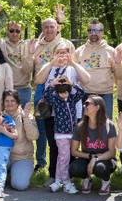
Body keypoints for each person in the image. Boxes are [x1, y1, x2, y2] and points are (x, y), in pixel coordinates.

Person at [34, 43, 91, 184]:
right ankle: (53, 175)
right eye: (59, 52)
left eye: (65, 52)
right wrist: (51, 63)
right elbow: (38, 80)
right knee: (54, 145)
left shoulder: (73, 67)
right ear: (53, 54)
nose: (62, 56)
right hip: (51, 113)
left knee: (71, 145)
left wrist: (72, 62)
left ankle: (69, 176)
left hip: (71, 113)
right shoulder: (48, 66)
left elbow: (87, 80)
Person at [31, 5, 75, 170]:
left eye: (52, 27)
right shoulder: (37, 46)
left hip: (61, 87)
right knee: (41, 125)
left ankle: (62, 162)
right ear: (42, 29)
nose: (49, 30)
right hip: (42, 87)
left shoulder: (65, 43)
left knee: (59, 124)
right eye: (46, 27)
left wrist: (60, 19)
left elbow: (74, 62)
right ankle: (41, 162)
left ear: (57, 28)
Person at [0, 5, 36, 106]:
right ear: (7, 31)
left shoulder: (28, 44)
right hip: (7, 89)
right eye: (11, 31)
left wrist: (58, 22)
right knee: (8, 120)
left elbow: (46, 38)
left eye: (17, 31)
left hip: (24, 89)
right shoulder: (2, 44)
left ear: (21, 32)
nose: (14, 33)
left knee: (24, 119)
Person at [69, 96, 118, 195]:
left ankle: (106, 182)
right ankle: (87, 178)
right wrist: (90, 157)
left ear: (97, 107)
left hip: (106, 159)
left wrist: (95, 158)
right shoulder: (80, 126)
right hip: (87, 157)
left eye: (87, 104)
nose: (84, 106)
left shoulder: (109, 125)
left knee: (99, 167)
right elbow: (74, 151)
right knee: (74, 168)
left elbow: (112, 152)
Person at [44, 77, 85, 194]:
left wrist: (72, 83)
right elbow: (46, 95)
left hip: (72, 134)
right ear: (57, 92)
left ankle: (57, 181)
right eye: (60, 92)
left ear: (69, 90)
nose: (63, 95)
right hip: (61, 134)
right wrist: (52, 84)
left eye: (66, 91)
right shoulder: (55, 100)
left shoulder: (72, 99)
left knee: (61, 158)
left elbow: (81, 93)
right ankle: (66, 183)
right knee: (64, 158)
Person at [73, 19, 116, 117]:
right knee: (85, 127)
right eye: (90, 30)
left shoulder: (111, 51)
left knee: (106, 126)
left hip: (105, 95)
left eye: (97, 30)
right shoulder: (78, 52)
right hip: (85, 94)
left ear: (102, 32)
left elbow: (117, 73)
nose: (93, 33)